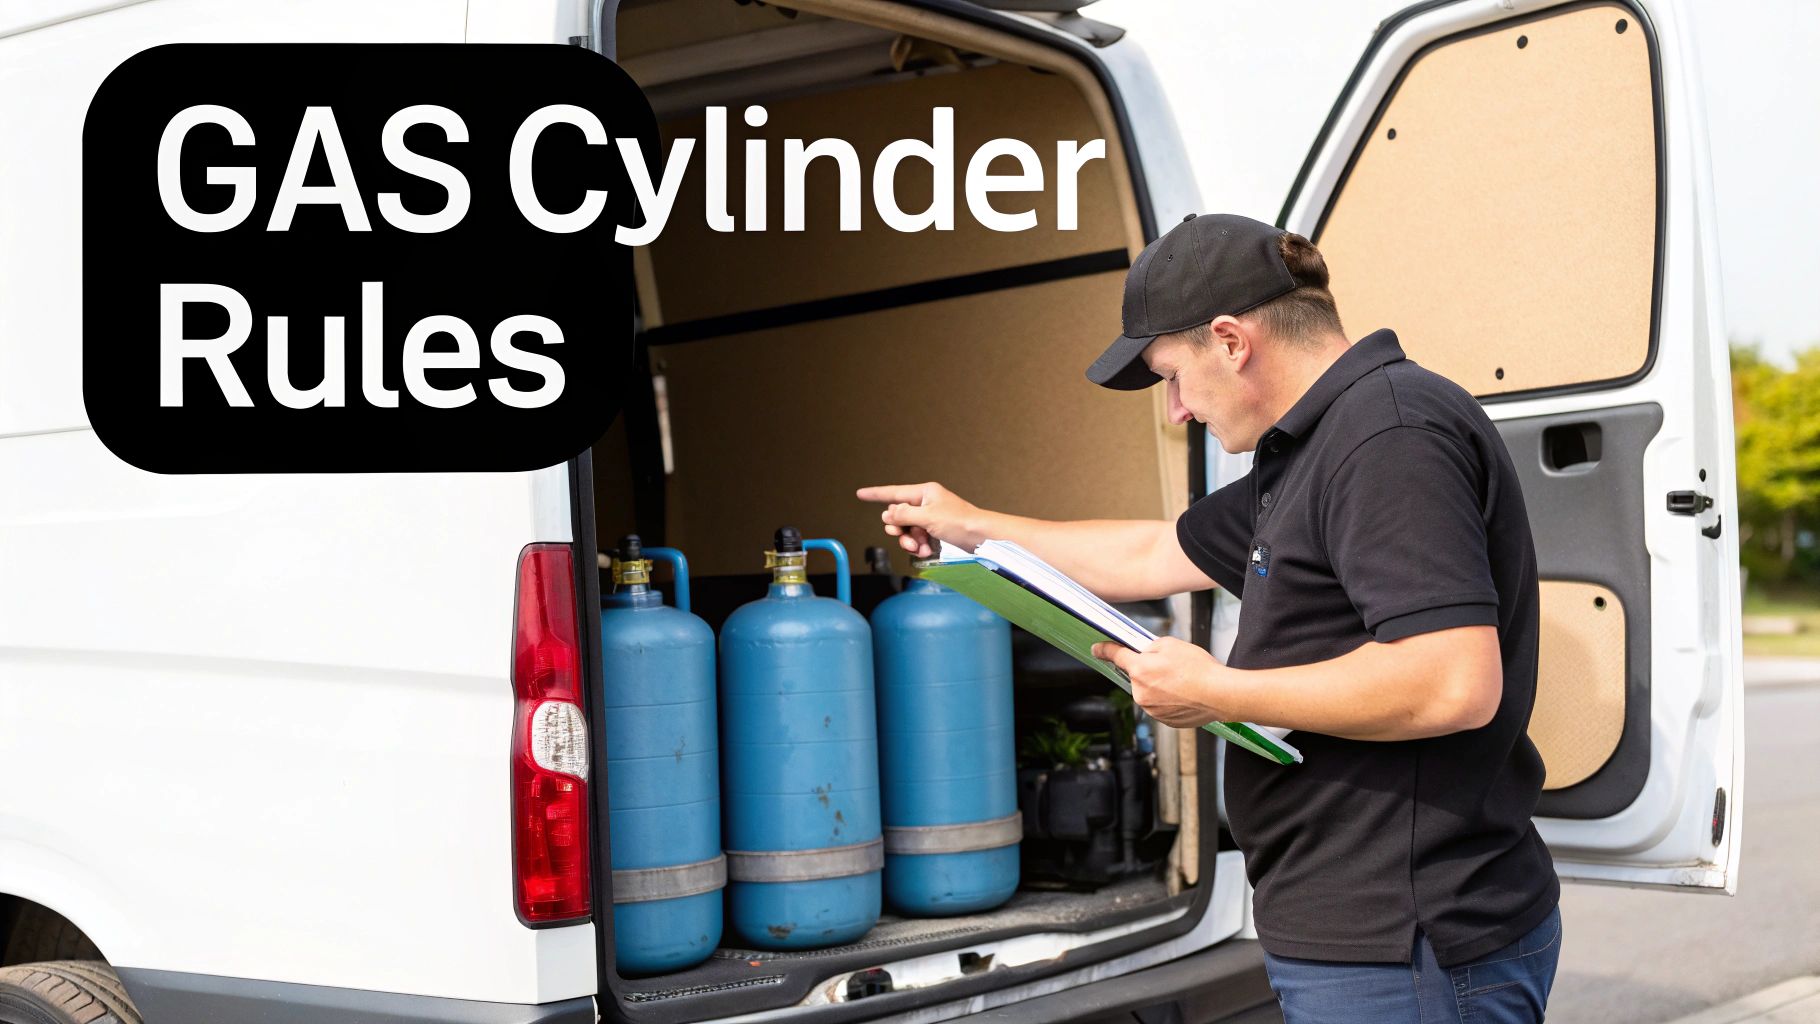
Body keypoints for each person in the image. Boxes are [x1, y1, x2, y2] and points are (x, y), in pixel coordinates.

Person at [856, 213, 1560, 1024]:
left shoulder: (1388, 435)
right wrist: (973, 525)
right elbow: (1157, 553)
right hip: (1362, 934)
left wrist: (1220, 692)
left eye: (1171, 376)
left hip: (1410, 941)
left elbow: (1451, 682)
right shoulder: (1311, 446)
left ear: (1231, 340)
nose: (1176, 412)